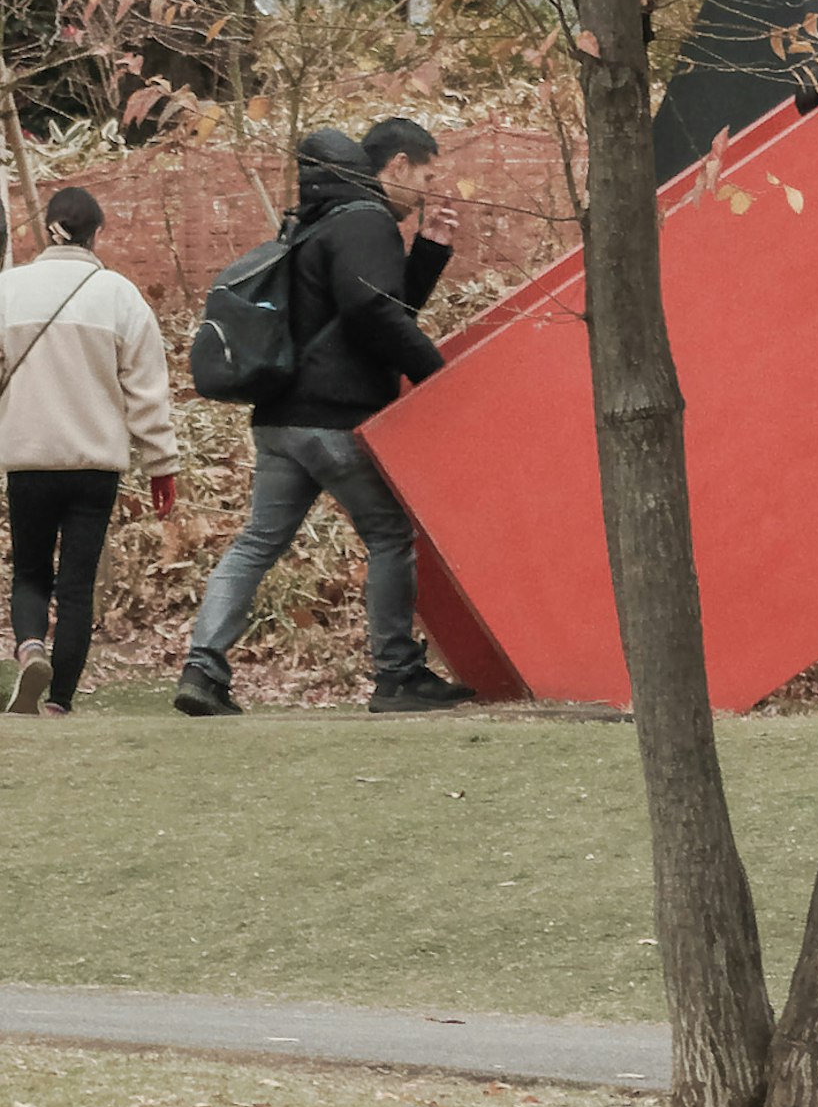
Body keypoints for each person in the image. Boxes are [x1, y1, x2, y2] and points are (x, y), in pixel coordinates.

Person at [175, 117, 476, 717]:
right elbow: (373, 313)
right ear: (396, 166)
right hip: (333, 418)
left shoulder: (316, 224)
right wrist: (438, 374)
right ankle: (397, 674)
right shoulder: (366, 220)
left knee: (258, 542)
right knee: (390, 535)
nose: (426, 191)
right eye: (426, 176)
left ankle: (202, 668)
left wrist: (430, 251)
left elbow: (379, 305)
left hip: (280, 419)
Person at [2, 182, 182, 714]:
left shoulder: (8, 290)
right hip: (94, 467)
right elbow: (147, 391)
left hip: (28, 459)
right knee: (77, 587)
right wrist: (162, 465)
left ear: (46, 231)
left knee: (31, 570)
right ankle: (59, 701)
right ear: (96, 235)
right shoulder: (120, 296)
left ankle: (30, 645)